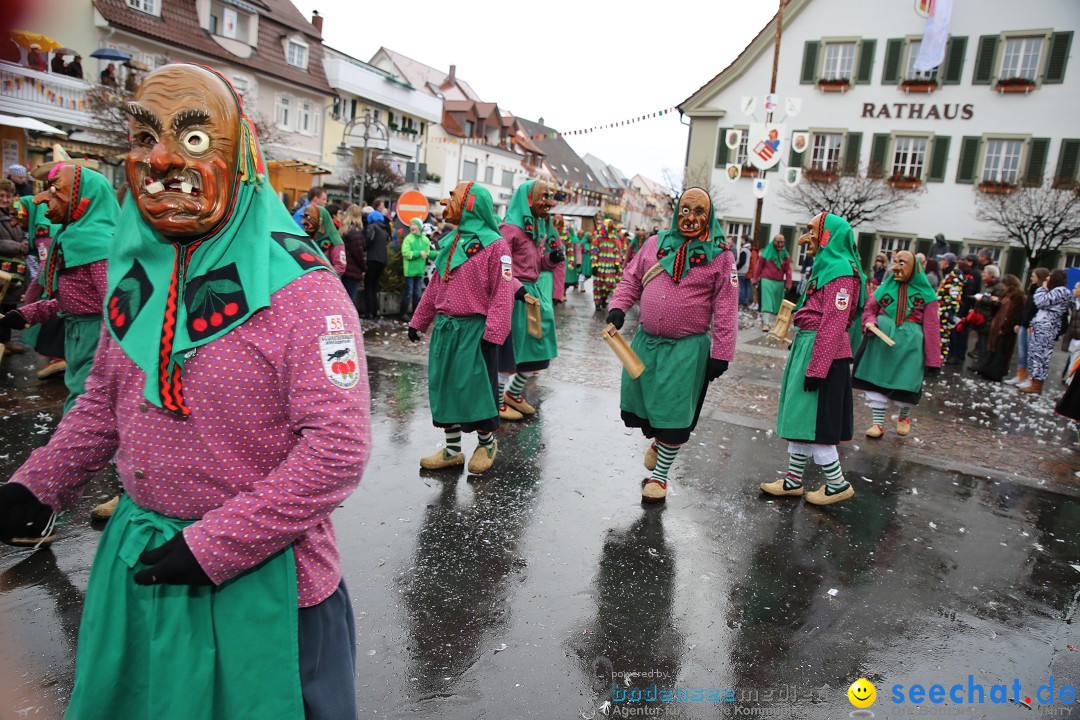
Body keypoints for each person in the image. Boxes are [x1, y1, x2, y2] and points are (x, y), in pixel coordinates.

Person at [0, 63, 370, 719]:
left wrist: (213, 546)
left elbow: (336, 451)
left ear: (243, 151)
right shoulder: (140, 274)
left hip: (264, 585)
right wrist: (37, 484)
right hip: (144, 569)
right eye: (144, 138)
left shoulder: (306, 291)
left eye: (194, 139)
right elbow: (106, 404)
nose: (162, 158)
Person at [605, 187, 737, 503]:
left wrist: (722, 352)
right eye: (685, 209)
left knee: (675, 414)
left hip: (687, 350)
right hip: (646, 344)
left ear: (710, 216)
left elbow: (727, 307)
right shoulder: (654, 244)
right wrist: (618, 307)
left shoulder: (721, 256)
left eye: (699, 211)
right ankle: (659, 443)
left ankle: (660, 476)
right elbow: (631, 279)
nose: (690, 217)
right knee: (645, 407)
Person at [408, 182, 513, 474]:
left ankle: (487, 443)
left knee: (475, 390)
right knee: (445, 388)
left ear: (470, 205)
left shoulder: (496, 245)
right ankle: (453, 451)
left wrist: (493, 334)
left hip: (474, 331)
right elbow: (435, 286)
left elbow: (502, 295)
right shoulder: (451, 242)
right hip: (446, 330)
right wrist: (419, 321)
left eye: (453, 197)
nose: (445, 203)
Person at [761, 212, 865, 506]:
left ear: (827, 234)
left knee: (818, 423)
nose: (806, 237)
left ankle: (836, 484)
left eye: (812, 230)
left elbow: (834, 320)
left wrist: (817, 367)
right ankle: (794, 481)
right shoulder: (826, 266)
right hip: (811, 345)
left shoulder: (841, 271)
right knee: (801, 417)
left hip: (825, 353)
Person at [0, 164, 116, 414]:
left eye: (55, 191)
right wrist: (28, 313)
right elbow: (75, 298)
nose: (42, 200)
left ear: (86, 197)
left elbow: (113, 306)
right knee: (79, 392)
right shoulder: (71, 238)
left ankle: (73, 450)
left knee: (86, 402)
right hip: (78, 332)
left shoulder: (97, 246)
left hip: (96, 336)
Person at [852, 251, 941, 438]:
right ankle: (878, 424)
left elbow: (932, 326)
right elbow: (870, 308)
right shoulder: (885, 288)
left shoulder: (927, 295)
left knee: (906, 380)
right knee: (877, 381)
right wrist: (870, 322)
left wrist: (933, 360)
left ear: (913, 267)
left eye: (902, 263)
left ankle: (904, 416)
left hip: (910, 346)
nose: (896, 267)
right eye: (895, 262)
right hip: (880, 342)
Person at [495, 179, 560, 419]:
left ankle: (513, 393)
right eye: (544, 196)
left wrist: (551, 259)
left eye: (549, 196)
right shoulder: (509, 229)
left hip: (533, 295)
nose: (548, 202)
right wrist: (516, 289)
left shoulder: (536, 229)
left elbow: (536, 265)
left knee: (537, 350)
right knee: (509, 351)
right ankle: (498, 402)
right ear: (528, 199)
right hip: (514, 297)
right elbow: (501, 267)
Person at [11, 194, 66, 379]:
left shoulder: (43, 229)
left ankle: (60, 357)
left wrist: (29, 296)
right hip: (61, 282)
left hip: (59, 284)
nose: (17, 221)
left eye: (20, 215)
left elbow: (45, 266)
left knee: (53, 319)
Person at [1022, 269, 1071, 395]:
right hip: (1042, 326)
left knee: (1040, 356)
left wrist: (1042, 288)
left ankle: (1036, 384)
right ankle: (1033, 381)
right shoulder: (1055, 291)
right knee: (1034, 354)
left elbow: (1040, 301)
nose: (1047, 279)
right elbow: (1042, 311)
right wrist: (1033, 323)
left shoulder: (1061, 291)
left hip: (1047, 328)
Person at [975, 274, 1026, 382]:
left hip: (1005, 326)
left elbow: (1015, 314)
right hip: (997, 323)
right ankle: (988, 370)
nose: (1002, 287)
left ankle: (995, 372)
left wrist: (1006, 327)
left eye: (1004, 285)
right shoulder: (1006, 294)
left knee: (1001, 350)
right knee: (993, 347)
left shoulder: (1018, 297)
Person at [1006, 268, 1050, 387]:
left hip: (1032, 326)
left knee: (1031, 353)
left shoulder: (1043, 293)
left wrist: (1033, 324)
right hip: (1024, 325)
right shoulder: (1032, 290)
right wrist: (1020, 323)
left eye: (1034, 276)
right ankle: (1020, 376)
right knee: (1022, 352)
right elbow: (1026, 309)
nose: (1031, 278)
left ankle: (1030, 379)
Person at [0, 179, 29, 358]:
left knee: (9, 304)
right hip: (2, 268)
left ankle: (6, 340)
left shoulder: (14, 214)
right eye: (1, 195)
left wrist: (26, 243)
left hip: (15, 268)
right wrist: (18, 247)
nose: (4, 199)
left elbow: (25, 231)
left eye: (8, 196)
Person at [753, 234, 792, 331]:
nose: (780, 245)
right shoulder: (766, 253)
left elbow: (788, 270)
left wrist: (788, 283)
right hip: (766, 280)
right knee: (767, 303)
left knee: (778, 305)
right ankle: (766, 323)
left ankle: (776, 325)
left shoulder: (785, 255)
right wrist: (755, 279)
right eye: (778, 242)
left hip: (779, 282)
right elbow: (758, 267)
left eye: (782, 242)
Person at [299, 202, 346, 275]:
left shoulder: (335, 241)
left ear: (320, 220)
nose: (303, 222)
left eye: (308, 218)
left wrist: (325, 278)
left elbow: (340, 266)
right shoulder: (307, 239)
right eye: (303, 217)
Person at [970, 264, 1002, 363]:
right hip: (981, 317)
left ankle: (981, 363)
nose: (983, 274)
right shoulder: (986, 285)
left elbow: (996, 302)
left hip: (988, 318)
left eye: (985, 272)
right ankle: (978, 362)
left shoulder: (998, 287)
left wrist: (983, 299)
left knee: (985, 342)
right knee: (980, 341)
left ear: (992, 275)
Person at [400, 217, 430, 318]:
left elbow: (427, 252)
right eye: (411, 224)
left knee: (417, 294)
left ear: (420, 227)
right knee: (408, 293)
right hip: (410, 271)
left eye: (415, 225)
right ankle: (403, 314)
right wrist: (419, 253)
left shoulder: (425, 239)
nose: (412, 227)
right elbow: (405, 253)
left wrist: (435, 254)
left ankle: (415, 316)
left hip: (420, 271)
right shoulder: (408, 239)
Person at [936, 253, 963, 364]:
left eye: (942, 260)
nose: (940, 262)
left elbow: (954, 295)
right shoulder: (948, 276)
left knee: (943, 337)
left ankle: (939, 361)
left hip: (945, 313)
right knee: (940, 336)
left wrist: (950, 312)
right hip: (941, 311)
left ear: (947, 263)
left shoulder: (953, 278)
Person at [363, 209, 390, 318]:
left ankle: (369, 311)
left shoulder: (372, 227)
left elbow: (368, 240)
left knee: (368, 284)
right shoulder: (384, 230)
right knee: (375, 285)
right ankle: (376, 310)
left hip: (373, 258)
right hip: (382, 260)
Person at [590, 218, 622, 311]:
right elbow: (594, 251)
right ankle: (597, 303)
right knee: (598, 285)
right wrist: (594, 265)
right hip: (599, 265)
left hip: (610, 267)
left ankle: (604, 298)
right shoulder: (598, 238)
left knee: (609, 284)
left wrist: (616, 263)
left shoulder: (614, 238)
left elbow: (616, 251)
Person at [339, 204, 365, 303]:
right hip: (353, 270)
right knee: (349, 301)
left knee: (343, 300)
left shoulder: (344, 230)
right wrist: (364, 267)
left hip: (345, 269)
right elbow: (358, 253)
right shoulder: (356, 232)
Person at [735, 235, 752, 308]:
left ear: (744, 239)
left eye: (741, 239)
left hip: (742, 271)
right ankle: (745, 301)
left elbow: (742, 261)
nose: (740, 241)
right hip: (747, 270)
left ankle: (741, 301)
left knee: (741, 287)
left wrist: (736, 268)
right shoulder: (749, 249)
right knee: (746, 287)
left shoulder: (744, 250)